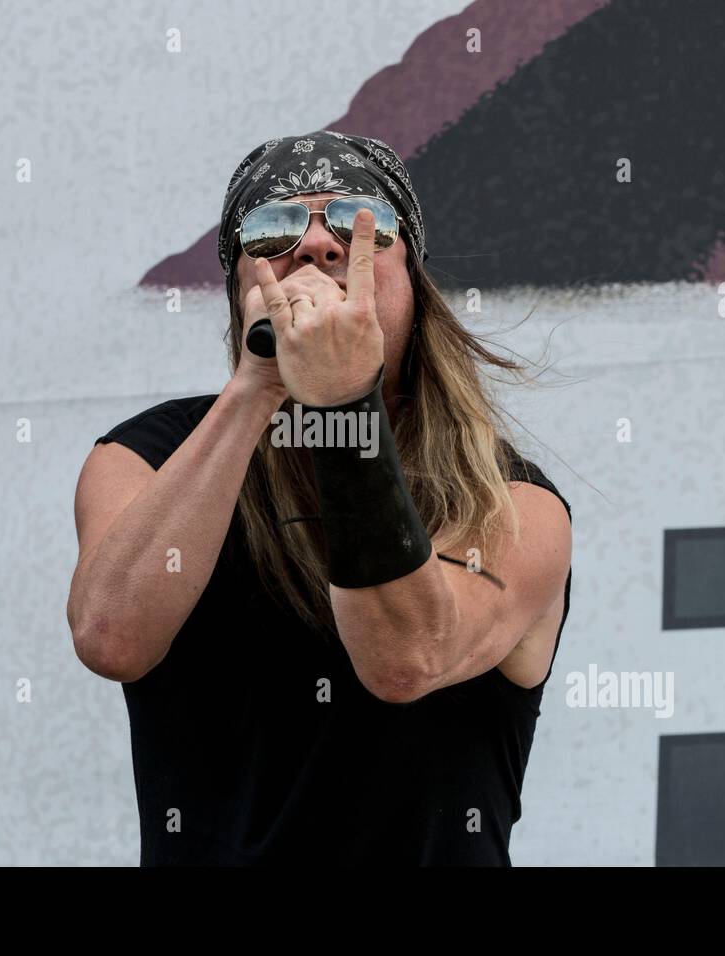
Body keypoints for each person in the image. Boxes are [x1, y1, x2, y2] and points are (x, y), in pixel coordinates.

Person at [66, 130, 573, 865]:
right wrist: (258, 385)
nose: (315, 247)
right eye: (272, 228)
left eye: (356, 222)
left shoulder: (511, 499)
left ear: (413, 283)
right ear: (238, 286)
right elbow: (110, 637)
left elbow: (406, 661)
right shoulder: (143, 456)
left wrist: (340, 406)